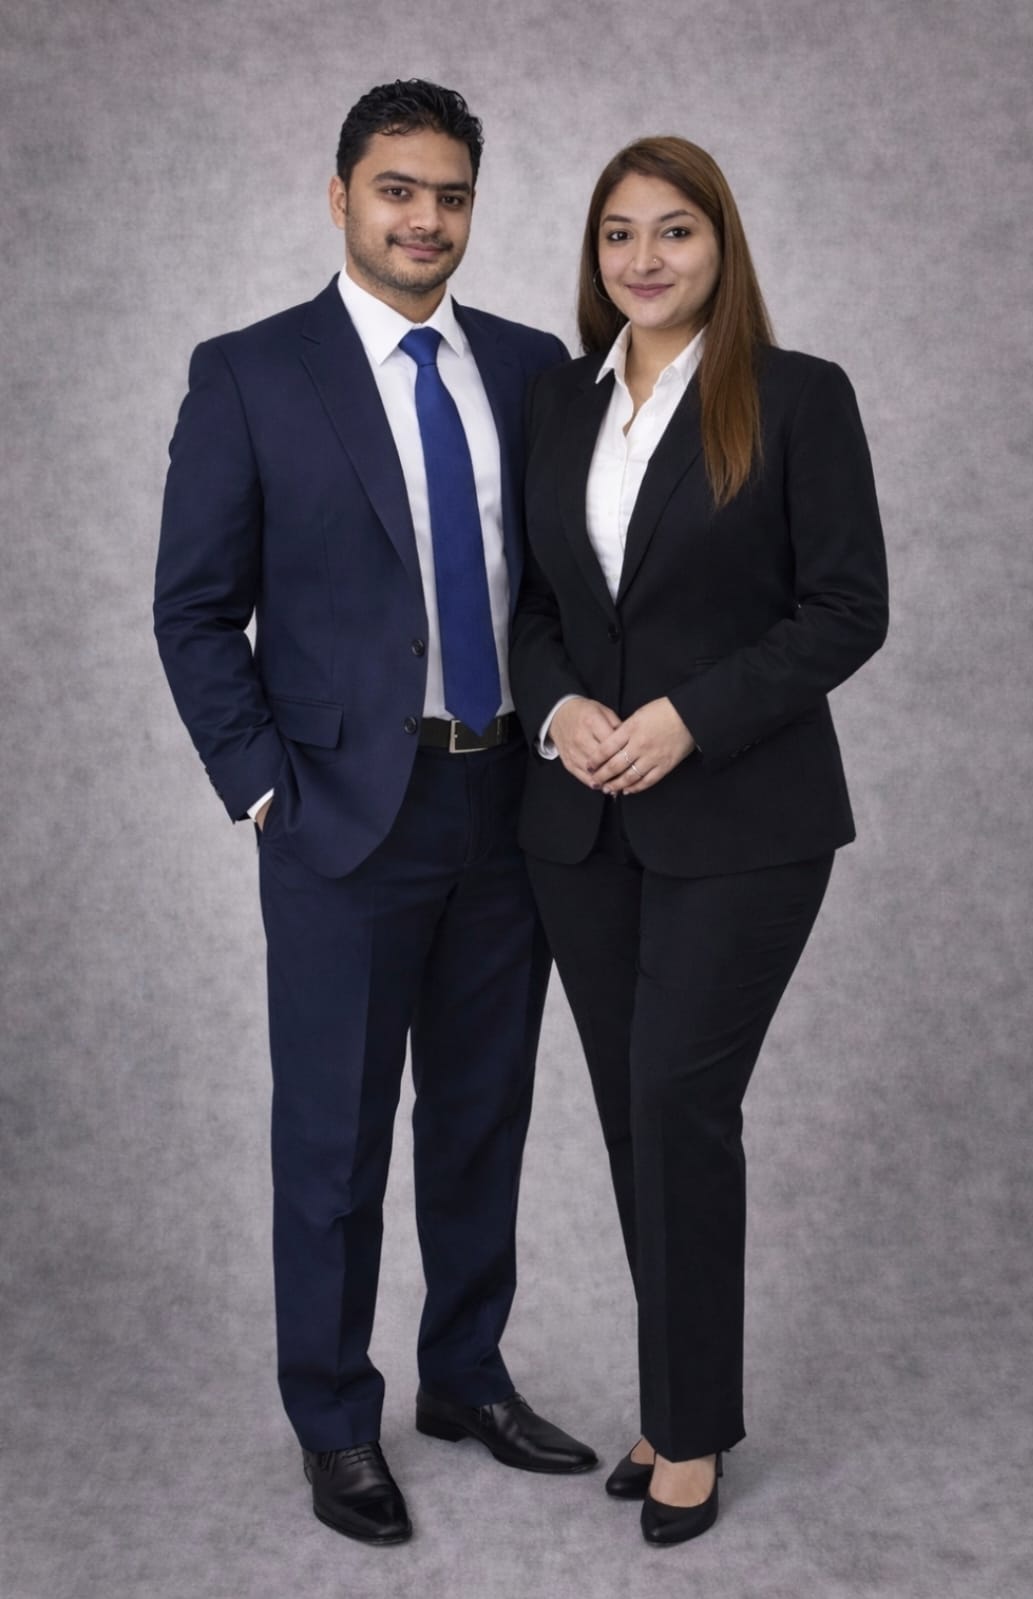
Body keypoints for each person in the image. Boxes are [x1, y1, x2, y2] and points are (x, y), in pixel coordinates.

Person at [154, 78, 597, 1548]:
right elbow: (195, 609)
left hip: (507, 802)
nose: (426, 219)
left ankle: (464, 1376)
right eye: (398, 190)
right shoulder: (250, 373)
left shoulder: (529, 368)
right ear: (340, 196)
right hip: (340, 816)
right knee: (334, 1143)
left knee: (481, 1117)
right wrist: (260, 785)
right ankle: (334, 1418)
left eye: (451, 195)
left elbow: (557, 584)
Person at [510, 136, 888, 1547]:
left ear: (721, 243)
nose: (644, 258)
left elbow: (846, 608)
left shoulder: (797, 398)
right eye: (618, 233)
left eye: (674, 229)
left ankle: (690, 1431)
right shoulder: (558, 402)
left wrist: (687, 719)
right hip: (580, 819)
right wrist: (559, 710)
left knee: (677, 1099)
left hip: (742, 818)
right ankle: (678, 1403)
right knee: (635, 1115)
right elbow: (529, 606)